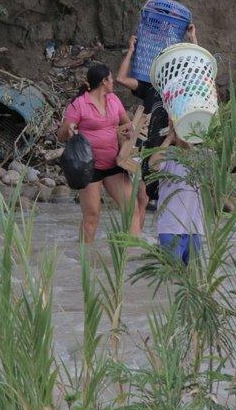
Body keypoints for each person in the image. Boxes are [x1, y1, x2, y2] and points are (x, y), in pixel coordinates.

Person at [116, 24, 198, 214]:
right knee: (143, 198)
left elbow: (199, 70)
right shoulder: (151, 87)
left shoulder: (182, 89)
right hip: (152, 148)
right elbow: (121, 78)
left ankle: (169, 237)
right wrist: (130, 51)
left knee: (175, 199)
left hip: (177, 150)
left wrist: (193, 38)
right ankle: (137, 241)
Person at [57, 63, 142, 244]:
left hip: (113, 164)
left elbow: (126, 124)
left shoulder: (114, 100)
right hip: (88, 167)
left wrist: (128, 131)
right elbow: (61, 136)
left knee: (131, 209)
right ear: (104, 81)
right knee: (92, 215)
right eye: (111, 79)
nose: (113, 82)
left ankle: (131, 254)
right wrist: (69, 128)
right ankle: (83, 258)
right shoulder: (80, 104)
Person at [148, 127, 204, 265]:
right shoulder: (168, 155)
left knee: (192, 280)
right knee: (172, 277)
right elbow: (153, 165)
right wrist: (169, 138)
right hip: (170, 229)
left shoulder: (201, 156)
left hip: (195, 229)